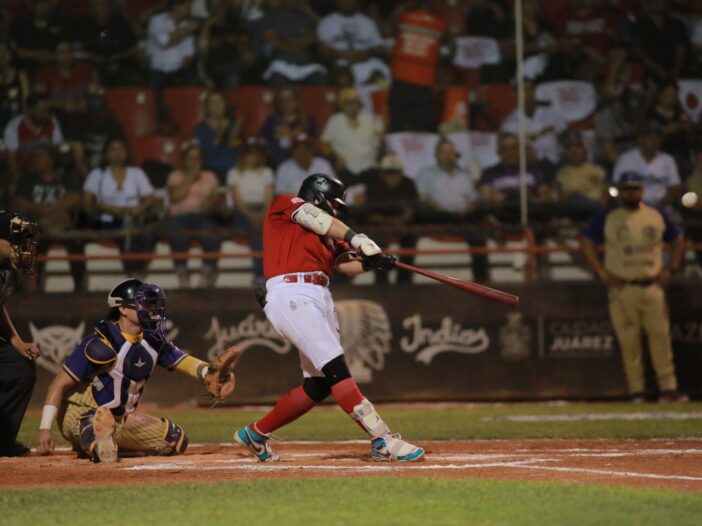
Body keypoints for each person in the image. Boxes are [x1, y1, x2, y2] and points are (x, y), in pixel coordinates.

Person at [234, 173, 424, 462]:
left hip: (320, 295)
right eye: (333, 203)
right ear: (318, 196)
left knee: (319, 384)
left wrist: (371, 263)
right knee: (336, 368)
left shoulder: (331, 233)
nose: (336, 210)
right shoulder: (286, 204)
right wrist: (356, 238)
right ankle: (382, 440)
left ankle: (255, 433)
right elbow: (317, 219)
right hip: (292, 291)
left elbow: (345, 265)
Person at [36, 278, 236, 462]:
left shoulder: (153, 340)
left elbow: (185, 361)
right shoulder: (101, 342)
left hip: (120, 418)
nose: (152, 310)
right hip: (80, 412)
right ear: (123, 308)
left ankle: (105, 444)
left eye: (153, 304)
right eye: (144, 304)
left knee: (175, 440)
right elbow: (57, 384)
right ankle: (96, 442)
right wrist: (45, 429)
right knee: (92, 425)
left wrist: (210, 373)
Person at [581, 173, 688, 403]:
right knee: (629, 342)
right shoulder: (609, 216)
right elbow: (587, 241)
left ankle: (668, 388)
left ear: (642, 190)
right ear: (621, 191)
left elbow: (677, 240)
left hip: (652, 285)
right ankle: (636, 390)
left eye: (636, 188)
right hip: (623, 286)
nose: (632, 193)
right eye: (628, 189)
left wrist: (671, 268)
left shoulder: (655, 214)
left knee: (661, 338)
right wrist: (601, 272)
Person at [82, 138, 161, 279]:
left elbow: (150, 197)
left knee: (148, 232)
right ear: (106, 154)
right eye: (113, 149)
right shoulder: (98, 174)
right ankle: (135, 275)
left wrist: (140, 208)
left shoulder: (136, 173)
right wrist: (105, 207)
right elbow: (87, 202)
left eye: (121, 149)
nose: (118, 153)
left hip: (134, 217)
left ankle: (136, 273)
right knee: (126, 233)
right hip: (107, 220)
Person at [13, 146, 85, 291]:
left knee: (76, 242)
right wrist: (43, 212)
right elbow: (19, 201)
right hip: (36, 225)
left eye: (41, 156)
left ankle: (79, 286)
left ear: (51, 160)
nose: (36, 160)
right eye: (34, 157)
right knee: (30, 240)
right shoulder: (27, 179)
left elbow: (75, 197)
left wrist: (51, 211)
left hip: (61, 224)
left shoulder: (64, 177)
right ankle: (30, 289)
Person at [415, 139, 488, 282]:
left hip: (464, 216)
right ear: (436, 155)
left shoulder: (465, 175)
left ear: (456, 154)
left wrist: (470, 208)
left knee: (479, 236)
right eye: (444, 152)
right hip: (437, 215)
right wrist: (434, 205)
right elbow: (420, 195)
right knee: (421, 214)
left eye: (451, 152)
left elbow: (474, 199)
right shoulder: (426, 173)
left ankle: (481, 282)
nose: (448, 156)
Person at [0, 211, 40, 457]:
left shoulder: (7, 269)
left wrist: (16, 341)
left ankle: (1, 441)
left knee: (20, 369)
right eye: (16, 241)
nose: (23, 247)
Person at [165, 142, 221, 289]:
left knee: (211, 232)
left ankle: (207, 271)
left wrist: (209, 203)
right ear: (184, 159)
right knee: (177, 233)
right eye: (190, 158)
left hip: (202, 216)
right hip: (179, 217)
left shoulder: (209, 176)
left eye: (197, 158)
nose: (194, 161)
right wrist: (191, 176)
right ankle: (182, 272)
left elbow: (213, 200)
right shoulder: (175, 176)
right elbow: (176, 196)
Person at [356, 153, 419, 284]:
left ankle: (405, 281)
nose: (393, 176)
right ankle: (381, 282)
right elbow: (369, 215)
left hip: (403, 224)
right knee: (376, 245)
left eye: (396, 173)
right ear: (382, 174)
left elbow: (411, 211)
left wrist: (401, 220)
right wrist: (390, 221)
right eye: (389, 173)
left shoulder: (408, 184)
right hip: (379, 226)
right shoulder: (373, 186)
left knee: (410, 238)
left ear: (401, 173)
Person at [388, 0, 447, 132]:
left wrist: (402, 6)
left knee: (396, 125)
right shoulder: (440, 22)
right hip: (424, 83)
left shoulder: (404, 16)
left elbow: (388, 30)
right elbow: (450, 47)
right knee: (420, 128)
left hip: (401, 80)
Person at [227, 137, 274, 284]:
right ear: (243, 155)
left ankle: (265, 274)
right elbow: (237, 201)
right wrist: (252, 216)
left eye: (255, 153)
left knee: (264, 229)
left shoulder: (267, 172)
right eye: (249, 152)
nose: (252, 156)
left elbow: (269, 199)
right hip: (241, 212)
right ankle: (260, 274)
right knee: (257, 231)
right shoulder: (234, 172)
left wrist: (263, 214)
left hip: (262, 209)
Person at [613, 126, 681, 208]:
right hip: (631, 207)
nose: (654, 141)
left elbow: (674, 187)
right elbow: (617, 186)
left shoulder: (667, 159)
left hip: (661, 207)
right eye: (649, 137)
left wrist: (662, 204)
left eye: (657, 138)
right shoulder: (626, 159)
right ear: (640, 139)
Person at [320, 87, 383, 176]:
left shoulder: (369, 119)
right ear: (342, 105)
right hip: (345, 170)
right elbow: (324, 144)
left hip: (369, 168)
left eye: (355, 102)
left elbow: (380, 140)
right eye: (348, 103)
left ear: (360, 104)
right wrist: (335, 158)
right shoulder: (335, 120)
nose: (352, 106)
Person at [260, 86, 317, 168]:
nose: (286, 103)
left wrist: (292, 135)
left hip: (303, 166)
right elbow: (263, 146)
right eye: (282, 100)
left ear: (297, 100)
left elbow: (315, 145)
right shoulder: (271, 122)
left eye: (289, 99)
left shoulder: (308, 121)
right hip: (276, 166)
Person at [193, 91, 242, 181]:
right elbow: (206, 151)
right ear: (207, 107)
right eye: (213, 102)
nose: (217, 105)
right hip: (210, 171)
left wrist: (235, 139)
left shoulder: (234, 125)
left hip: (234, 170)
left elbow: (239, 149)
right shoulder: (201, 128)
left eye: (219, 101)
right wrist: (221, 132)